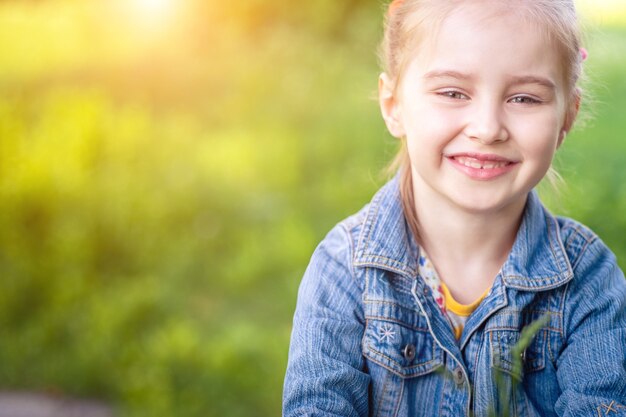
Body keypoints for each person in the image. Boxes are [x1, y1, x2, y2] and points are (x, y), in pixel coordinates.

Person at [282, 0, 626, 416]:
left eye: (524, 99)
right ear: (394, 106)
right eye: (452, 92)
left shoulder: (588, 280)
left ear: (566, 117)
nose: (487, 128)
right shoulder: (343, 272)